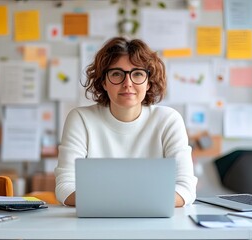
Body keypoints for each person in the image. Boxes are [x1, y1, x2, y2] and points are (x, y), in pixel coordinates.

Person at [54, 37, 197, 207]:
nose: (127, 83)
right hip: (95, 226)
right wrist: (137, 201)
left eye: (137, 74)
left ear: (148, 83)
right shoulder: (81, 119)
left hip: (154, 225)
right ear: (104, 82)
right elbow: (65, 188)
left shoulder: (168, 120)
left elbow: (186, 188)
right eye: (116, 74)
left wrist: (119, 201)